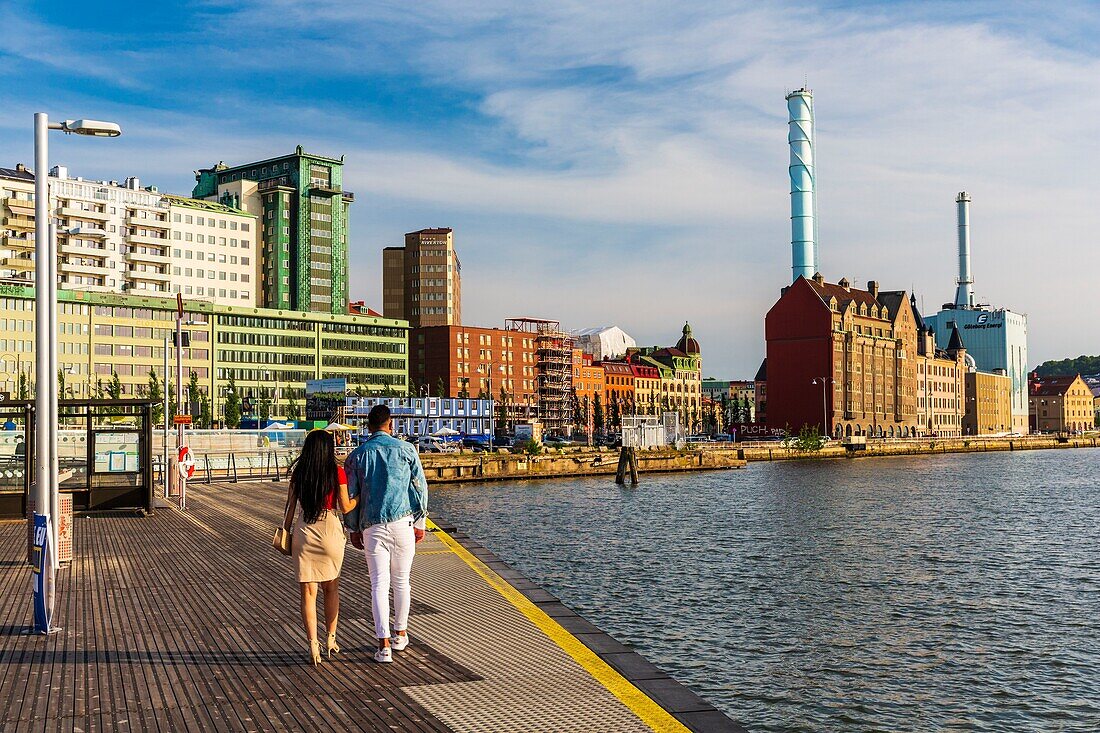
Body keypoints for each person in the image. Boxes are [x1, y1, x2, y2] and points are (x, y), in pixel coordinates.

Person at [343, 404, 428, 664]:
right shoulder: (407, 450)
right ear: (390, 424)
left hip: (372, 526)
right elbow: (419, 488)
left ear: (368, 426)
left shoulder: (357, 456)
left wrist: (353, 527)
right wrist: (420, 521)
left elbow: (352, 496)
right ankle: (401, 634)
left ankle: (383, 645)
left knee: (378, 585)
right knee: (402, 581)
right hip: (403, 522)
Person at [282, 429, 356, 666]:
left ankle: (312, 644)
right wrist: (359, 498)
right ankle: (331, 639)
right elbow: (345, 507)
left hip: (305, 530)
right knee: (331, 588)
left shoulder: (299, 474)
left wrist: (286, 532)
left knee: (308, 593)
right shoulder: (337, 473)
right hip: (330, 531)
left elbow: (289, 511)